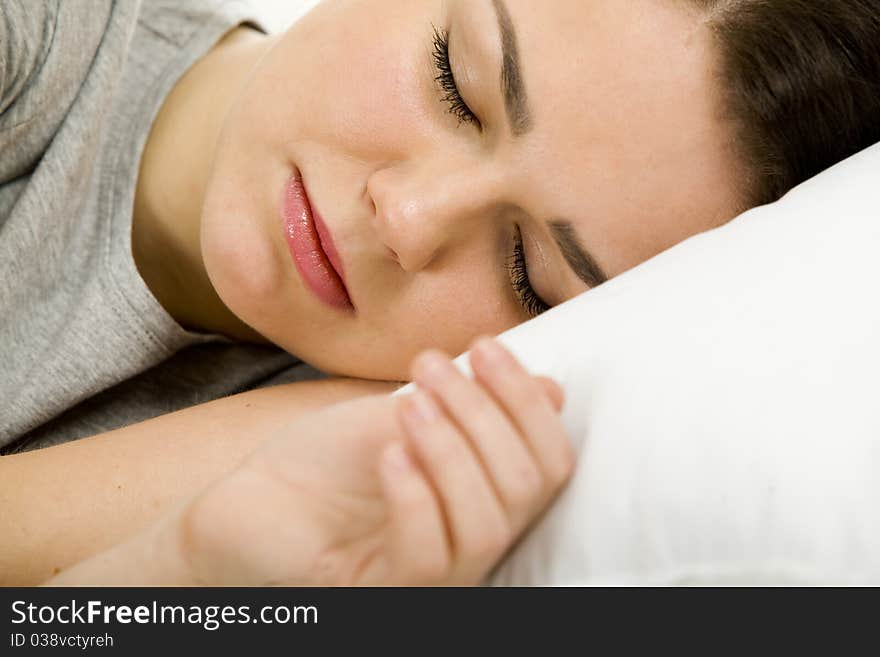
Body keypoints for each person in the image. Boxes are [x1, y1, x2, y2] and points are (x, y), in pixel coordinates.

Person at [2, 0, 878, 584]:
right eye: (456, 83)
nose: (409, 218)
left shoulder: (351, 478)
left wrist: (178, 567)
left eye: (529, 277)